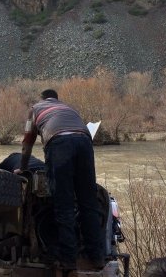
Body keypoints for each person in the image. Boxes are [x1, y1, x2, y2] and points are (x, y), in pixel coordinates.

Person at [17, 89, 104, 272]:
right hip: (84, 141)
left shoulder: (35, 108)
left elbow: (27, 143)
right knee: (88, 202)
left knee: (63, 203)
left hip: (59, 143)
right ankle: (97, 257)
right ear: (57, 99)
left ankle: (69, 260)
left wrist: (23, 167)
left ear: (42, 99)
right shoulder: (69, 108)